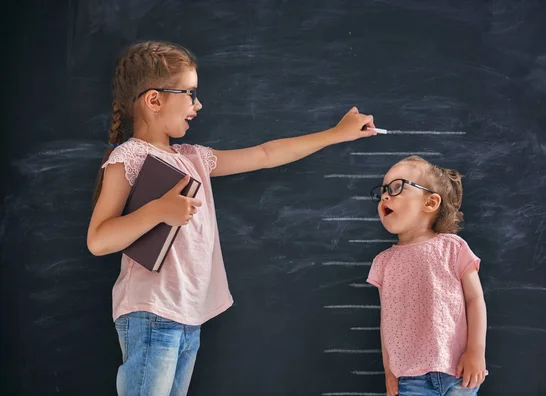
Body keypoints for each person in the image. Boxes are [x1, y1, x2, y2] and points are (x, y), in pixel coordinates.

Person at [86, 40, 376, 396]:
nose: (198, 104)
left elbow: (266, 154)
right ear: (154, 100)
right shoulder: (129, 157)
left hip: (189, 316)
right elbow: (99, 239)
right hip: (151, 313)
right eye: (190, 93)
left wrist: (336, 134)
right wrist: (158, 210)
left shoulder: (194, 158)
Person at [366, 155, 487, 396]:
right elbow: (386, 323)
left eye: (396, 187)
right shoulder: (384, 262)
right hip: (410, 378)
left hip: (459, 372)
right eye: (382, 191)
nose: (385, 197)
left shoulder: (454, 247)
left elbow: (475, 300)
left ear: (430, 203)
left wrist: (476, 351)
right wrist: (389, 371)